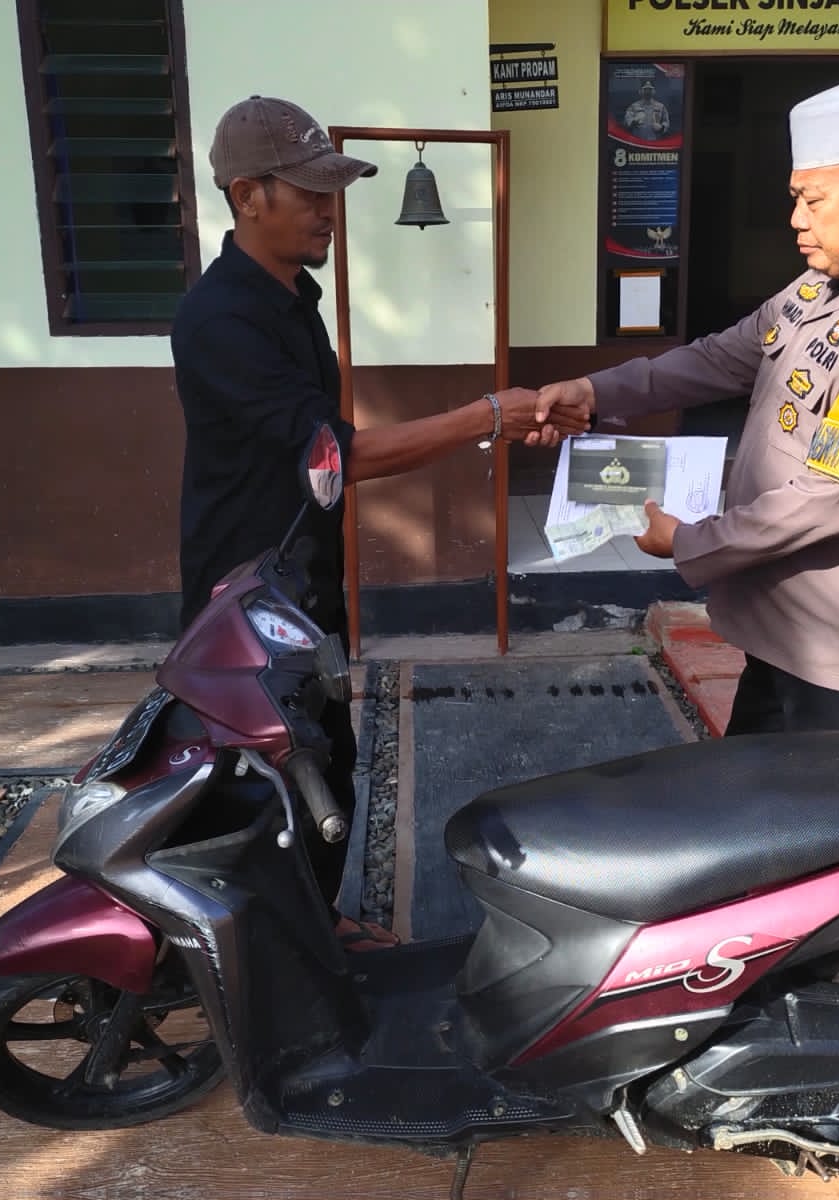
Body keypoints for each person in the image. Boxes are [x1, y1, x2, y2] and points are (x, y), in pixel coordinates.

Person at [173, 95, 583, 945]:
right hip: (245, 600)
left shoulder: (292, 297)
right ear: (248, 196)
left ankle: (314, 930)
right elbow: (338, 456)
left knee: (329, 759)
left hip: (302, 581)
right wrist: (488, 417)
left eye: (332, 192)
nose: (329, 210)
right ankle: (260, 955)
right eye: (309, 193)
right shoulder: (220, 319)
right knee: (268, 778)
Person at [532, 74, 839, 736]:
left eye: (813, 201)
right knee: (752, 791)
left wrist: (689, 541)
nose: (796, 220)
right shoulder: (824, 286)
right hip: (789, 625)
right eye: (795, 199)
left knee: (827, 803)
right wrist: (596, 392)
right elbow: (721, 358)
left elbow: (828, 498)